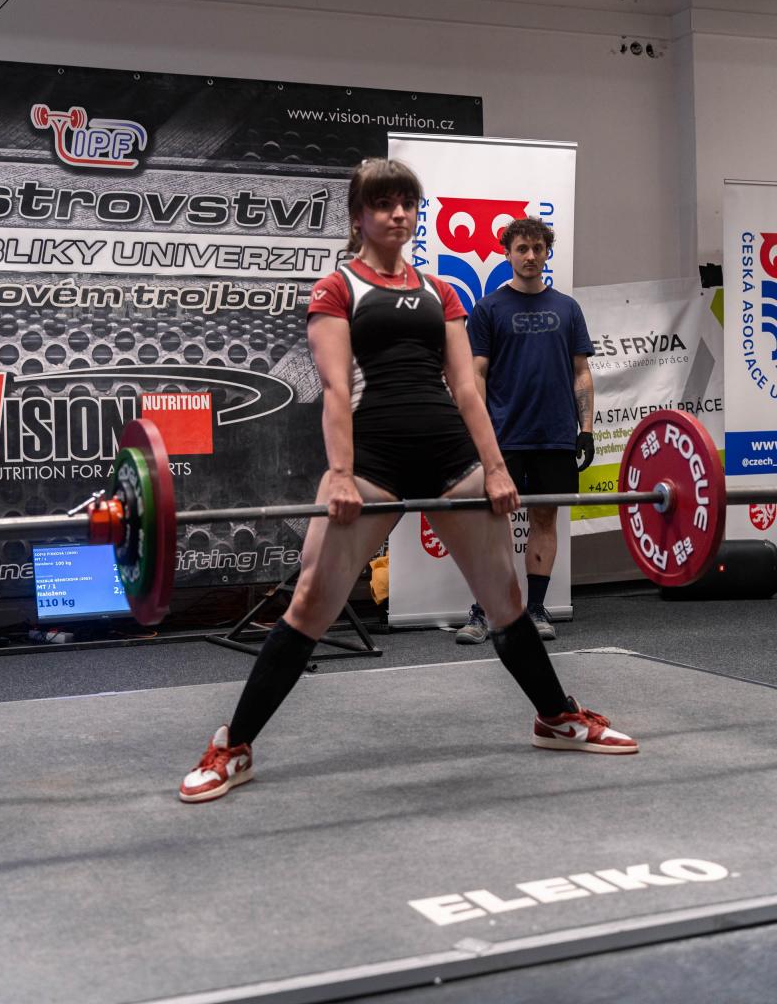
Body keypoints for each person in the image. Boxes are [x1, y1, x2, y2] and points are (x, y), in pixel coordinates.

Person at [179, 160, 636, 803]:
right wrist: (340, 475)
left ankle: (556, 718)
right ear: (358, 216)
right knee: (311, 603)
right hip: (372, 459)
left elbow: (466, 388)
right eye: (384, 204)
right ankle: (234, 746)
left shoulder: (440, 291)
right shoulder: (336, 288)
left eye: (408, 204)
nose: (399, 214)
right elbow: (335, 390)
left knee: (505, 600)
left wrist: (496, 468)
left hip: (449, 453)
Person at [455, 217, 595, 646]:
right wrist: (477, 431)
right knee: (491, 524)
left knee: (544, 518)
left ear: (547, 253)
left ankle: (535, 610)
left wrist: (586, 429)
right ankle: (486, 611)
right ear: (508, 253)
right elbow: (476, 373)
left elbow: (581, 372)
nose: (531, 256)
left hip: (554, 434)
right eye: (522, 249)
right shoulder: (489, 309)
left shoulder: (567, 308)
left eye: (538, 248)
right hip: (503, 436)